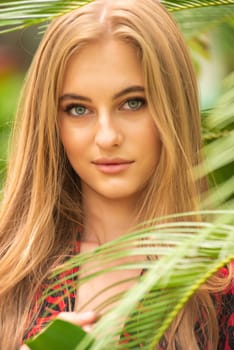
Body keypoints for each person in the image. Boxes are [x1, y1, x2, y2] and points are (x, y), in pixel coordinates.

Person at [0, 0, 233, 349]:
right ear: (51, 122)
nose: (107, 137)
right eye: (78, 109)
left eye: (133, 102)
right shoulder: (9, 274)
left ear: (173, 106)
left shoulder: (220, 284)